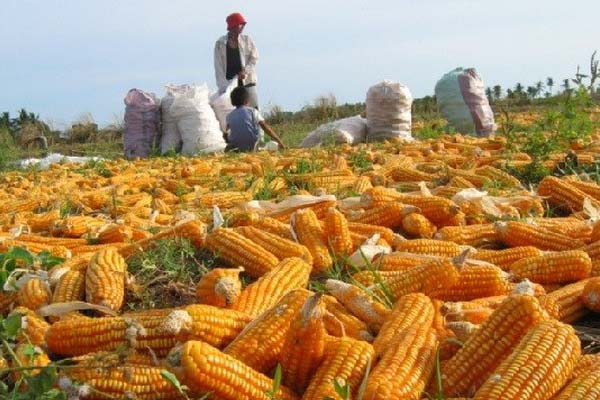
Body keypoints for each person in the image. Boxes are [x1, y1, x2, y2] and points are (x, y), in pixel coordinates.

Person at [214, 12, 260, 109]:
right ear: (233, 26)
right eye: (240, 25)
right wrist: (223, 87)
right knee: (233, 110)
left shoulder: (247, 40)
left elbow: (254, 58)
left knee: (253, 109)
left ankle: (255, 124)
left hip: (247, 80)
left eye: (243, 25)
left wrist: (245, 71)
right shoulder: (220, 44)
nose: (242, 27)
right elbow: (218, 67)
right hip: (230, 83)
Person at [225, 86, 286, 152]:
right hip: (253, 146)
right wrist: (280, 143)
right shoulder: (253, 112)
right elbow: (266, 128)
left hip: (237, 147)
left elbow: (226, 133)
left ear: (232, 101)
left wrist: (228, 141)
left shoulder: (229, 116)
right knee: (271, 144)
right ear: (247, 100)